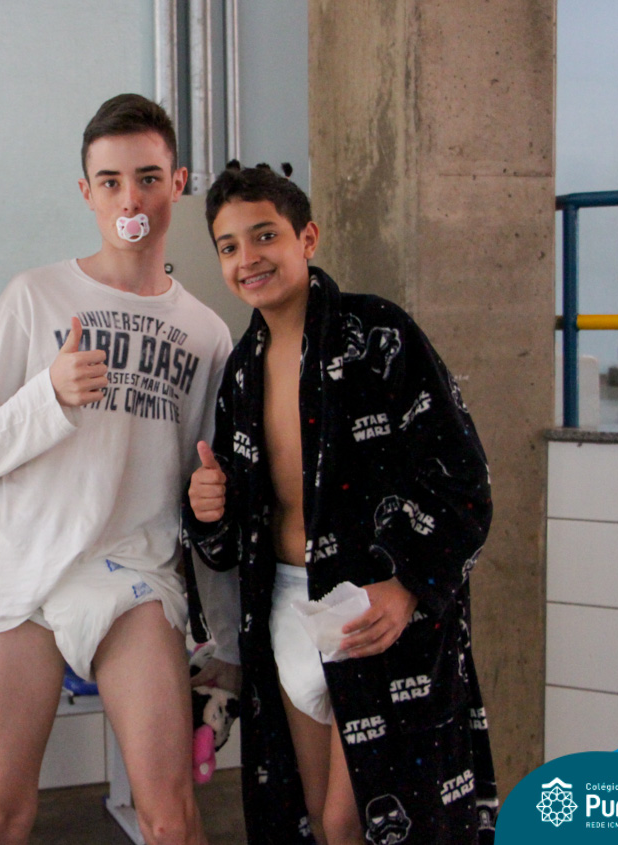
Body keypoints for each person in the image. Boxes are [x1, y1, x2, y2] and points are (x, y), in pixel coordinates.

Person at [0, 93, 239, 845]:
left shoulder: (206, 332)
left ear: (178, 183)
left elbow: (203, 478)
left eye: (147, 178)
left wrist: (212, 497)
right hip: (24, 575)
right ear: (87, 192)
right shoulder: (34, 296)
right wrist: (48, 393)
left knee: (170, 818)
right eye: (110, 181)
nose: (130, 199)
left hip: (131, 570)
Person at [185, 162, 499, 844]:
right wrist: (208, 507)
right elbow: (230, 533)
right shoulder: (241, 371)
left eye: (264, 235)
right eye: (230, 246)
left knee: (352, 819)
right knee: (314, 822)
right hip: (284, 609)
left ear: (307, 238)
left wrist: (408, 585)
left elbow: (464, 478)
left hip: (372, 607)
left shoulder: (379, 333)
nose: (248, 258)